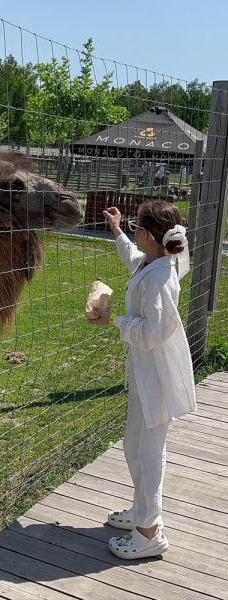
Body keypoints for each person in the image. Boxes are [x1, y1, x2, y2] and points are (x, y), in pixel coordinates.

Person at [87, 201, 196, 559]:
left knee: (147, 451)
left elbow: (152, 334)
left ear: (148, 235)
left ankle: (149, 531)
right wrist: (117, 229)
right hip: (145, 374)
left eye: (134, 226)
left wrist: (114, 321)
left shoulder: (160, 282)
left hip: (157, 378)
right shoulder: (157, 263)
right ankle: (141, 512)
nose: (132, 230)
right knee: (134, 446)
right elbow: (135, 260)